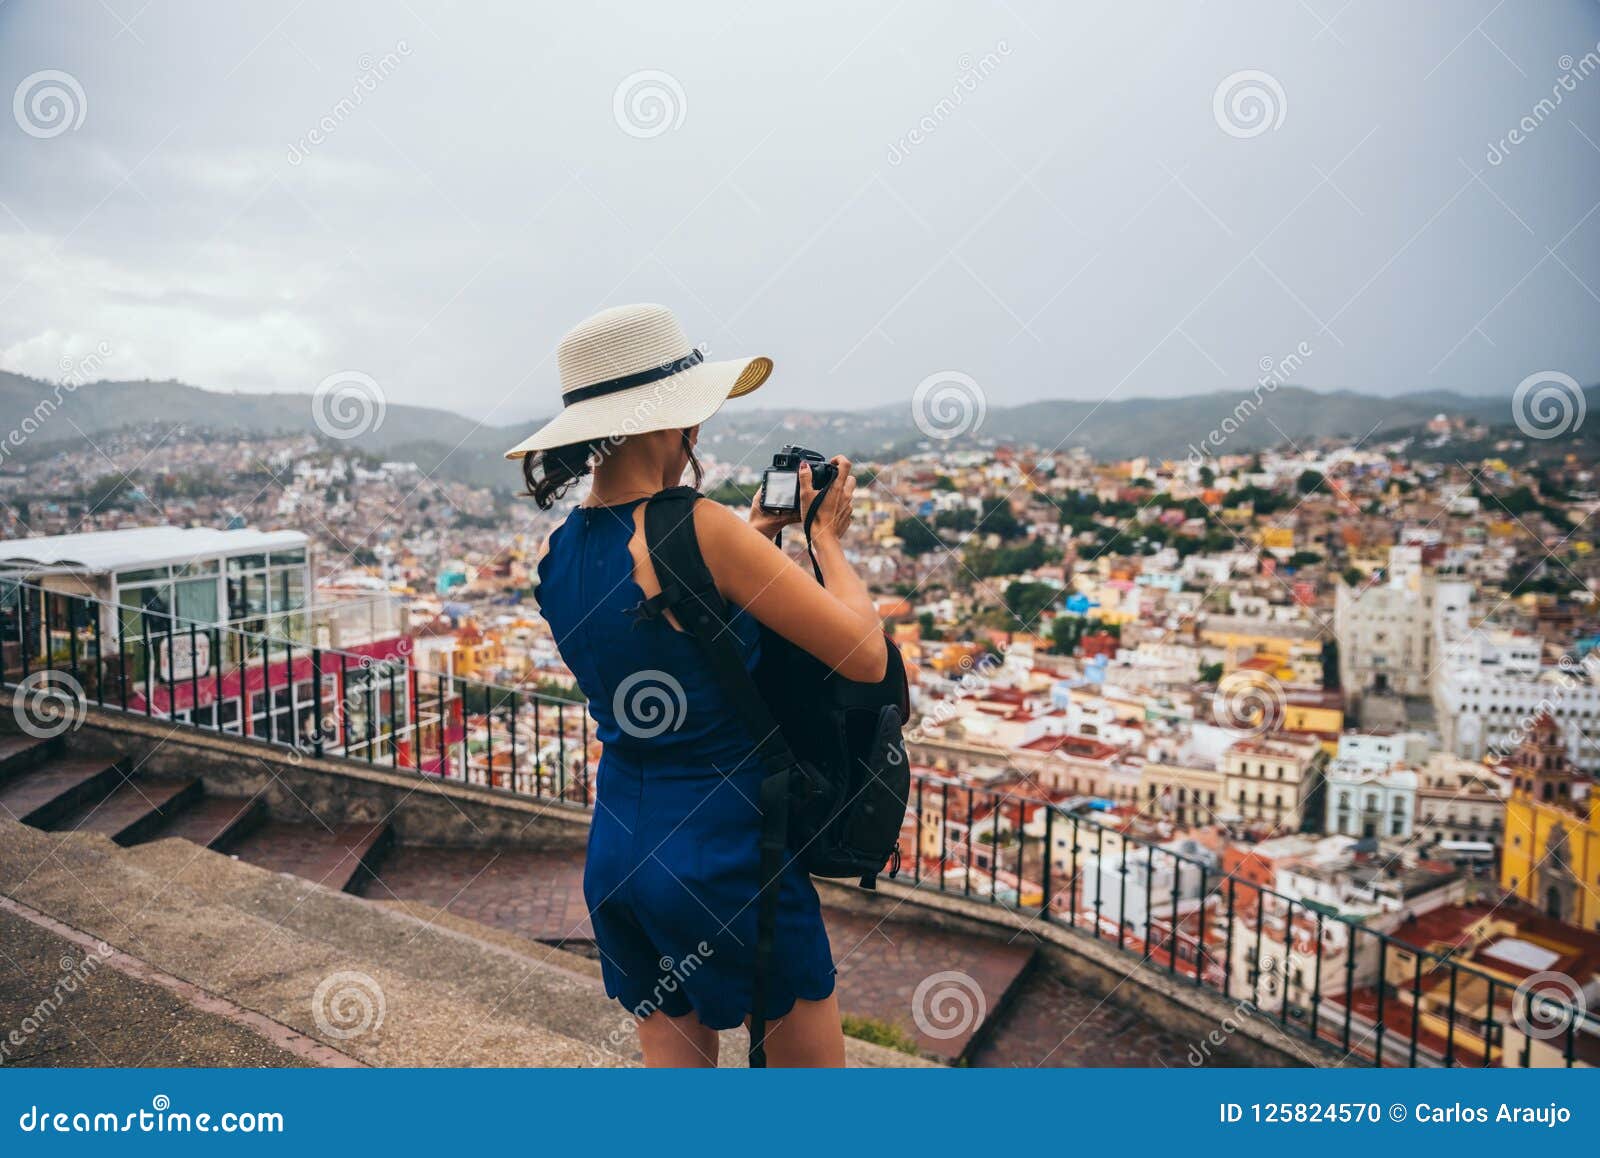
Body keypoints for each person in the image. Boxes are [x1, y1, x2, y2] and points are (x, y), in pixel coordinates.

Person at [504, 303, 887, 1067]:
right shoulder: (699, 527)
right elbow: (864, 656)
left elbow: (659, 623)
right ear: (665, 421)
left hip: (620, 849)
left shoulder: (561, 552)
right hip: (728, 848)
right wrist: (825, 543)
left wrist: (753, 537)